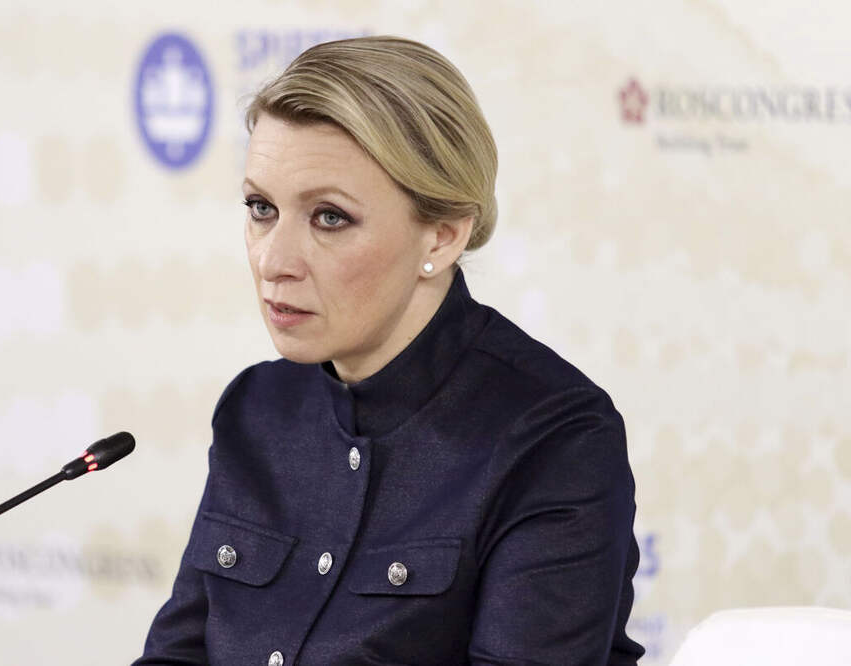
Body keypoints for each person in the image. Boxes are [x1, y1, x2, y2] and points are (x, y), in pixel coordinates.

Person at [134, 35, 645, 665]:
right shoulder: (256, 408)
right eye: (261, 208)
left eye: (329, 217)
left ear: (443, 235)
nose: (273, 260)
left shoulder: (553, 437)